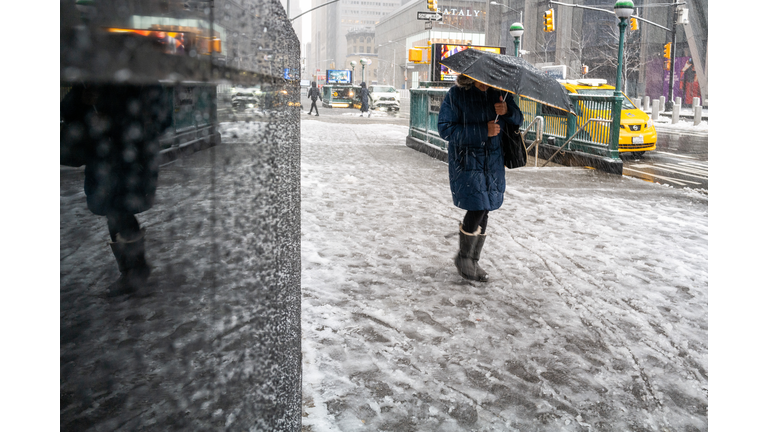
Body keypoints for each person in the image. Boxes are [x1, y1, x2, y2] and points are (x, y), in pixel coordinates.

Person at [61, 83, 173, 296]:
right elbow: (66, 110)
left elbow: (160, 119)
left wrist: (114, 121)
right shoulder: (91, 79)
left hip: (131, 160)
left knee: (119, 211)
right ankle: (133, 270)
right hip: (103, 161)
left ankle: (135, 271)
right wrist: (83, 101)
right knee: (114, 212)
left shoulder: (139, 79)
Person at [437, 74, 523, 282]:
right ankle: (464, 258)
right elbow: (446, 129)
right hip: (467, 160)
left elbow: (519, 119)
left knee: (486, 207)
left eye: (489, 79)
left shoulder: (501, 94)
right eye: (479, 78)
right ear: (469, 76)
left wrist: (508, 111)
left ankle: (472, 260)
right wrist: (483, 130)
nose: (484, 82)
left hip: (493, 161)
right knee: (478, 204)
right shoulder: (457, 95)